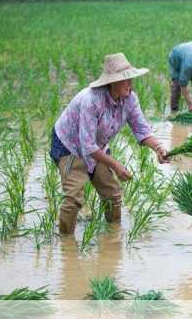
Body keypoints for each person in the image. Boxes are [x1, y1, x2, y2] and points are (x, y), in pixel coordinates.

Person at [50, 53, 169, 234]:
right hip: (69, 146)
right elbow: (87, 145)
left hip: (97, 147)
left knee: (113, 195)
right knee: (73, 197)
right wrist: (116, 165)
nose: (130, 83)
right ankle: (66, 246)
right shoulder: (92, 100)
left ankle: (113, 237)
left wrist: (158, 148)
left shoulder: (130, 99)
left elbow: (142, 130)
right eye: (125, 79)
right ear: (111, 82)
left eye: (131, 78)